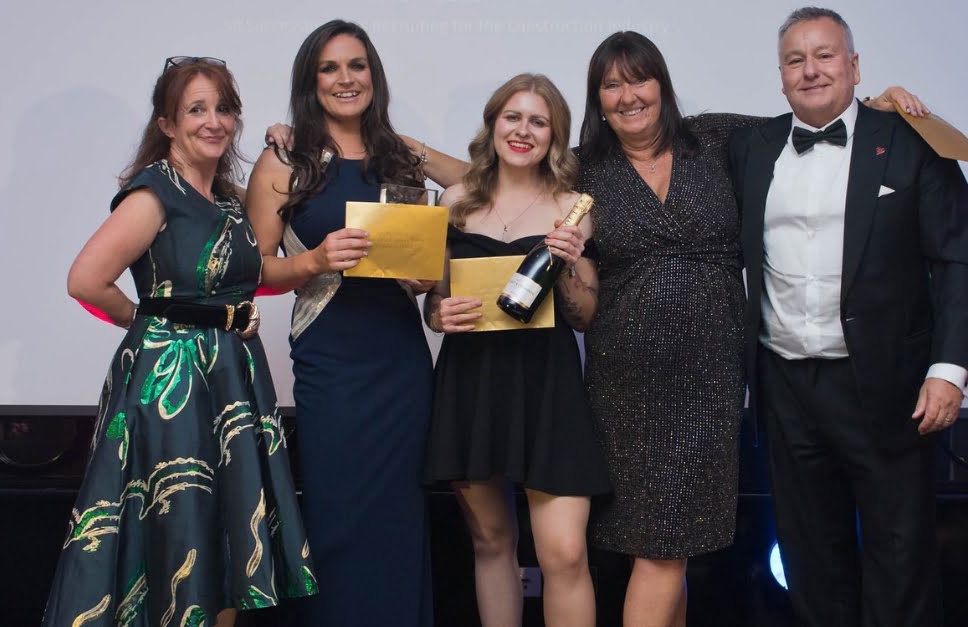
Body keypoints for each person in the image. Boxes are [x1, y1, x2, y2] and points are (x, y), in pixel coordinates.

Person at [574, 31, 923, 627]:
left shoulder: (716, 137)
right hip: (627, 383)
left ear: (662, 84)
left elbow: (813, 114)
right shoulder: (581, 168)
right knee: (659, 548)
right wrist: (419, 155)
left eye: (639, 78)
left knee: (672, 548)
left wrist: (882, 101)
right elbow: (500, 169)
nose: (628, 95)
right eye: (611, 84)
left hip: (711, 378)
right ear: (597, 98)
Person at [728, 7, 968, 626]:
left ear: (854, 65)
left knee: (901, 559)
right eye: (796, 59)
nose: (810, 70)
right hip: (786, 386)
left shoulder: (911, 139)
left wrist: (948, 370)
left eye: (825, 55)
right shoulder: (747, 146)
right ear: (780, 74)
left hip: (887, 385)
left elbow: (955, 260)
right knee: (810, 561)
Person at [43, 57, 316, 627]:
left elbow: (251, 272)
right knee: (178, 534)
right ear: (167, 123)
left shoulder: (227, 198)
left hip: (232, 379)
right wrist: (154, 325)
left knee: (223, 541)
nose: (213, 121)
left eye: (223, 108)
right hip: (172, 388)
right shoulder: (152, 195)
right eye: (196, 109)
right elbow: (85, 281)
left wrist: (288, 142)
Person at [244, 20, 460, 627]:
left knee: (397, 516)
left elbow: (473, 184)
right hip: (331, 363)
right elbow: (254, 272)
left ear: (374, 75)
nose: (346, 79)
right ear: (310, 82)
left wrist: (423, 273)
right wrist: (312, 260)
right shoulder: (285, 160)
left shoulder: (399, 159)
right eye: (330, 68)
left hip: (398, 361)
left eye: (357, 65)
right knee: (337, 518)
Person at [423, 73, 610, 627]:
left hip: (547, 387)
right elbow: (434, 303)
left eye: (538, 121)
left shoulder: (573, 207)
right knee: (491, 545)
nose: (523, 130)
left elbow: (585, 315)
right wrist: (438, 315)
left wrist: (572, 265)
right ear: (493, 125)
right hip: (471, 384)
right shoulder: (454, 202)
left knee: (565, 554)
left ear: (555, 136)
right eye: (513, 117)